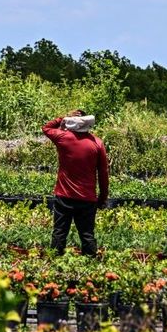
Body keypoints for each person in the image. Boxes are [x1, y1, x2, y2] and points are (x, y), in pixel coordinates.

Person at [42, 110, 109, 257]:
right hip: (87, 199)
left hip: (64, 196)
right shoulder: (97, 143)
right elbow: (103, 174)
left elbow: (46, 128)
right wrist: (103, 198)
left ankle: (54, 264)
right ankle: (90, 267)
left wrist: (64, 117)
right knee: (87, 235)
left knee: (59, 232)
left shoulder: (63, 138)